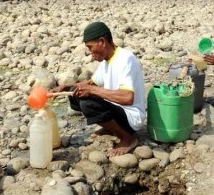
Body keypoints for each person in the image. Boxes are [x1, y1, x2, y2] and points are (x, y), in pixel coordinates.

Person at [50, 22, 146, 156]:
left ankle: (127, 138)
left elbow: (127, 98)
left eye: (90, 47)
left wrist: (92, 90)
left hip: (132, 117)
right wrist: (66, 87)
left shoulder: (125, 59)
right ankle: (111, 128)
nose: (90, 53)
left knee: (88, 104)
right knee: (76, 94)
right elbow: (90, 83)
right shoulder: (107, 61)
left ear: (102, 42)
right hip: (118, 110)